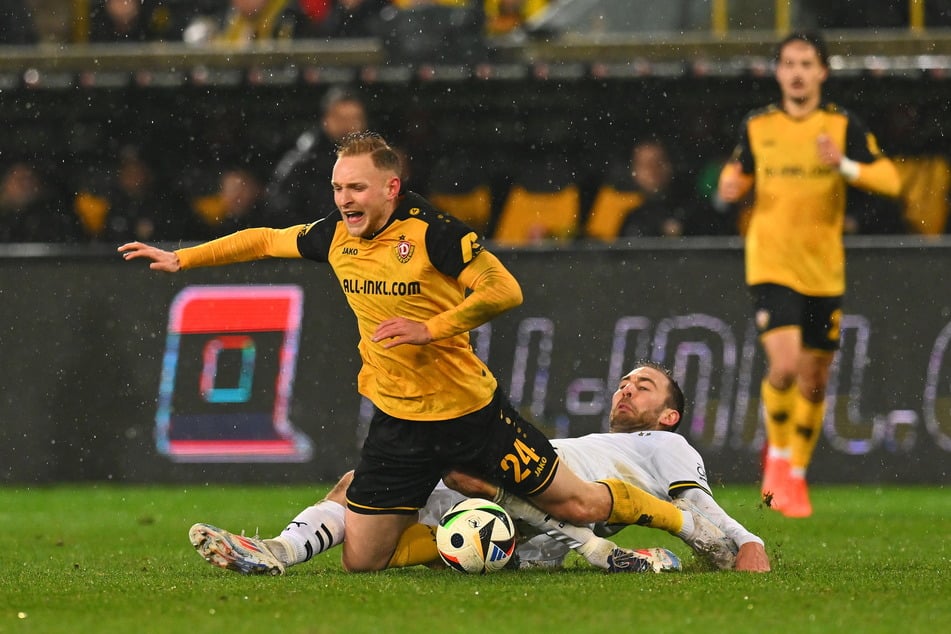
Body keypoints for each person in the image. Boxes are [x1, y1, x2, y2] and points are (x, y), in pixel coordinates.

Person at [120, 131, 732, 575]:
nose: (344, 200)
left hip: (473, 415)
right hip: (399, 422)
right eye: (337, 188)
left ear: (390, 186)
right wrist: (182, 258)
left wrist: (433, 328)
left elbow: (505, 289)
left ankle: (686, 527)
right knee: (364, 559)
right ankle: (480, 549)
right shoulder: (334, 237)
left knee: (579, 502)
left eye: (356, 188)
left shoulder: (434, 233)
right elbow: (262, 239)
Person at [187, 362, 769, 575]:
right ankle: (279, 551)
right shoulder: (592, 437)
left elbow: (702, 509)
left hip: (545, 493)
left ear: (669, 414)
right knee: (362, 507)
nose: (625, 390)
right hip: (523, 519)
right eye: (622, 382)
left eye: (643, 386)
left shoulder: (662, 445)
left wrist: (744, 542)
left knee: (454, 466)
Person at [717, 32, 901, 518]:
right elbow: (732, 180)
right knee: (784, 366)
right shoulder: (758, 126)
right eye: (789, 64)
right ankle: (777, 461)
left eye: (807, 63)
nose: (797, 72)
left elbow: (890, 180)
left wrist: (841, 165)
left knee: (815, 379)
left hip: (823, 268)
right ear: (778, 72)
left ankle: (796, 472)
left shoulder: (841, 126)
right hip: (771, 261)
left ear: (822, 72)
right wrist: (731, 186)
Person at [261, 87, 368, 227]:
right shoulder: (305, 157)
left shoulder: (371, 156)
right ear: (327, 119)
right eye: (342, 118)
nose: (350, 126)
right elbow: (279, 205)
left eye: (355, 118)